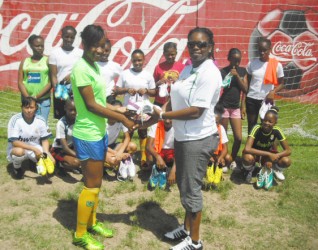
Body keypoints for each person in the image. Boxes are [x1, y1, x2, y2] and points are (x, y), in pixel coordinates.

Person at [153, 27, 221, 250]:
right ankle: (185, 228)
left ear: (210, 47)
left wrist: (164, 115)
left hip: (198, 139)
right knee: (184, 185)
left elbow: (196, 111)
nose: (196, 48)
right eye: (192, 44)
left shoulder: (210, 73)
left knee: (191, 190)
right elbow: (176, 94)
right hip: (184, 137)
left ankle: (195, 241)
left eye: (201, 44)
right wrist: (162, 108)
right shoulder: (189, 67)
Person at [70, 24, 135, 250]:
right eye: (96, 46)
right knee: (91, 185)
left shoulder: (93, 66)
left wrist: (119, 111)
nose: (100, 50)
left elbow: (100, 102)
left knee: (96, 184)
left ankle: (92, 223)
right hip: (87, 134)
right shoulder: (80, 68)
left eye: (102, 46)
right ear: (85, 45)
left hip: (98, 133)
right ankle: (80, 233)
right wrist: (123, 120)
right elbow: (90, 105)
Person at [115, 49, 156, 170]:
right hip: (129, 110)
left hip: (144, 110)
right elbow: (117, 90)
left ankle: (144, 159)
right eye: (134, 60)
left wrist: (147, 91)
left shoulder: (148, 75)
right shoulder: (125, 73)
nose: (137, 63)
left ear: (144, 60)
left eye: (139, 60)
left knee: (143, 132)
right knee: (128, 133)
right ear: (131, 61)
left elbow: (154, 92)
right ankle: (124, 158)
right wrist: (127, 90)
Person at [242, 107, 291, 188]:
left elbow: (288, 150)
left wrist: (275, 156)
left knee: (287, 160)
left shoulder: (277, 130)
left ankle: (276, 169)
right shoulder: (257, 128)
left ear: (275, 123)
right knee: (248, 158)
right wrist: (269, 154)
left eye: (270, 121)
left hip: (267, 157)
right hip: (255, 154)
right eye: (265, 120)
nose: (266, 123)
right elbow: (247, 148)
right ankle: (248, 170)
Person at [7, 97, 55, 179]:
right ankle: (17, 168)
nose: (29, 110)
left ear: (36, 107)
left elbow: (44, 139)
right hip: (18, 147)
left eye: (31, 107)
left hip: (35, 147)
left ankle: (34, 164)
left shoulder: (41, 120)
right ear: (21, 107)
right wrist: (33, 149)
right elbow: (14, 142)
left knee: (51, 162)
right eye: (26, 107)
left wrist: (46, 152)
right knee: (19, 152)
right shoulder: (15, 120)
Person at [246, 37, 285, 133]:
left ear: (270, 50)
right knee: (252, 125)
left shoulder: (276, 65)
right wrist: (243, 102)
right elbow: (246, 84)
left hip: (266, 100)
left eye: (264, 50)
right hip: (252, 99)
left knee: (266, 125)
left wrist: (273, 91)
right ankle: (250, 146)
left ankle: (266, 146)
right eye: (260, 50)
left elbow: (283, 83)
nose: (262, 52)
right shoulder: (252, 63)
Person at [219, 48, 248, 171]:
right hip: (224, 106)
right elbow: (220, 88)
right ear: (229, 59)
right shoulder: (223, 71)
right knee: (223, 136)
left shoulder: (242, 71)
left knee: (238, 138)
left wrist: (243, 106)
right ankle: (223, 159)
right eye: (234, 60)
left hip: (235, 108)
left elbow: (245, 89)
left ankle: (232, 159)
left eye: (238, 60)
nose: (236, 63)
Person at [49, 25, 83, 119]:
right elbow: (53, 75)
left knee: (76, 116)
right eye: (66, 36)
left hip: (76, 89)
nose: (69, 39)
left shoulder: (80, 53)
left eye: (72, 37)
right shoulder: (54, 53)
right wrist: (57, 90)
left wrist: (72, 75)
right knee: (62, 117)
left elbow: (84, 71)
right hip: (61, 88)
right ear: (62, 36)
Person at [18, 35, 51, 122]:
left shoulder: (48, 61)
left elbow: (50, 82)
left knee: (41, 126)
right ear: (31, 46)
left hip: (43, 101)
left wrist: (36, 97)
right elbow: (20, 82)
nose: (40, 48)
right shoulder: (24, 62)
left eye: (42, 46)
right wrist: (28, 98)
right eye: (37, 46)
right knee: (27, 125)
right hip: (27, 101)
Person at [105, 99, 137, 175]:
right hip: (102, 147)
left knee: (133, 146)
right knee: (113, 160)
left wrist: (120, 151)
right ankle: (109, 164)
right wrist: (116, 153)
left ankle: (123, 163)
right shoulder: (103, 122)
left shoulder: (121, 121)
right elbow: (101, 144)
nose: (117, 114)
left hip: (113, 145)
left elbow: (127, 137)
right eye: (115, 111)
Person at [50, 98, 81, 174]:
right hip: (60, 149)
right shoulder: (61, 123)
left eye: (75, 110)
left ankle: (70, 164)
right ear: (65, 108)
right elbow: (65, 148)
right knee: (76, 162)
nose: (73, 112)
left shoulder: (78, 120)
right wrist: (80, 156)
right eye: (71, 110)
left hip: (71, 147)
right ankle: (59, 164)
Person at [205, 103, 231, 187]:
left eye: (216, 122)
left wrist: (220, 157)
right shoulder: (205, 129)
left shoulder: (221, 128)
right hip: (206, 154)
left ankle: (217, 167)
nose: (215, 124)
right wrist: (208, 156)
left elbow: (225, 148)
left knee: (228, 158)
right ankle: (208, 168)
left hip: (216, 154)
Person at [146, 118, 176, 190]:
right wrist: (158, 157)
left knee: (182, 155)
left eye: (170, 118)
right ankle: (156, 170)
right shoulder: (156, 124)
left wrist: (174, 170)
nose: (167, 121)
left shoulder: (178, 126)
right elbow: (148, 146)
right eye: (165, 118)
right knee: (149, 153)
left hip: (172, 151)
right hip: (159, 151)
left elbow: (181, 150)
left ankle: (166, 170)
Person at [153, 42, 185, 107]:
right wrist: (159, 83)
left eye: (172, 54)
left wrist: (178, 81)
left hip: (176, 101)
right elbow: (152, 87)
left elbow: (187, 86)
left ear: (176, 53)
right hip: (160, 101)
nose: (170, 57)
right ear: (164, 54)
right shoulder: (158, 67)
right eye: (167, 54)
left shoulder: (183, 67)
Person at [98, 39, 123, 104]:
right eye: (102, 50)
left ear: (110, 51)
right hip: (96, 96)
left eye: (106, 51)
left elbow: (125, 77)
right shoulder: (93, 64)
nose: (104, 53)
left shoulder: (115, 66)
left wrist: (118, 89)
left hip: (109, 97)